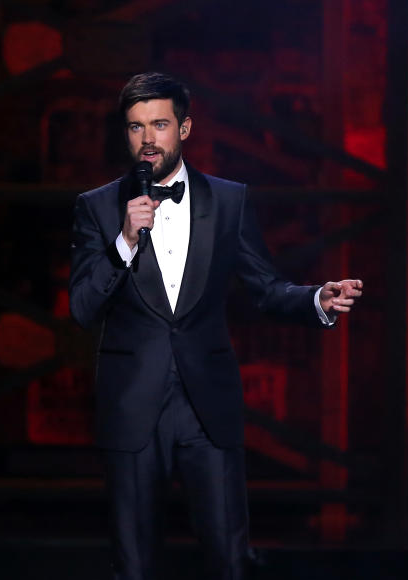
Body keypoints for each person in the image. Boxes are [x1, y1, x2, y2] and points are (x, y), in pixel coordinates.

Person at [69, 72, 362, 580]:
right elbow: (82, 308)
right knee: (133, 566)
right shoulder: (97, 207)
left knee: (230, 560)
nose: (147, 139)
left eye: (159, 124)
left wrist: (316, 298)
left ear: (185, 128)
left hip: (208, 405)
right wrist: (124, 242)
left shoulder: (230, 201)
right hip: (132, 404)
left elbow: (265, 288)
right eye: (136, 127)